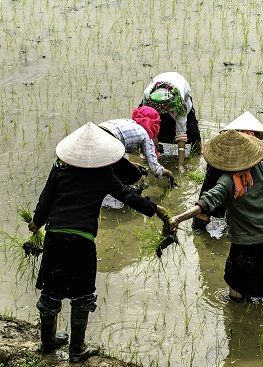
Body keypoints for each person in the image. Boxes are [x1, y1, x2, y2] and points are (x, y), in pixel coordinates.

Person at [28, 122, 167, 362]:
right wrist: (155, 209)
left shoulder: (59, 168)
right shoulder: (103, 174)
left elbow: (46, 198)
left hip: (55, 235)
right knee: (82, 295)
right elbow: (128, 195)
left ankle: (47, 341)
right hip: (82, 239)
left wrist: (36, 223)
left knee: (51, 290)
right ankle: (77, 349)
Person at [168, 129, 263, 302]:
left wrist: (178, 218)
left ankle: (236, 315)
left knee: (236, 282)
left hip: (244, 241)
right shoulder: (262, 167)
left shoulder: (227, 180)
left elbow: (207, 201)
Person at [192, 111, 263, 229]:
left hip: (218, 160)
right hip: (233, 164)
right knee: (232, 193)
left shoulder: (224, 136)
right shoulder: (250, 135)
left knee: (211, 189)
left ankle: (201, 220)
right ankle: (225, 220)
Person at [99, 106, 176, 193]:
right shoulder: (145, 135)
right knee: (137, 177)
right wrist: (168, 173)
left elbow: (117, 153)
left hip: (96, 132)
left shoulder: (128, 122)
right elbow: (155, 169)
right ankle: (133, 203)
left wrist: (131, 163)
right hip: (110, 142)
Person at [142, 72, 202, 173]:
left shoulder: (180, 102)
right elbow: (147, 120)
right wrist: (153, 138)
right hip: (157, 100)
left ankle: (197, 152)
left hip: (179, 98)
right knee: (148, 129)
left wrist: (180, 165)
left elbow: (181, 132)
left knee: (192, 131)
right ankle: (149, 150)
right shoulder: (148, 96)